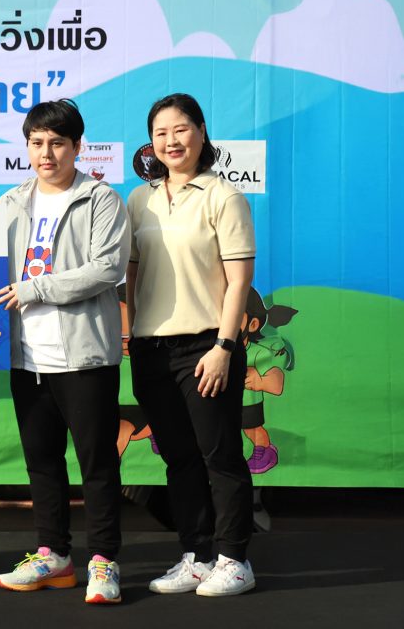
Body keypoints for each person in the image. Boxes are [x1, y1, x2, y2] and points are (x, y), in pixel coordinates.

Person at [0, 100, 131, 604]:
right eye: (36, 143)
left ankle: (104, 562)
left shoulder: (100, 199)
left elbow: (107, 268)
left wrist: (36, 288)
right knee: (42, 463)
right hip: (26, 358)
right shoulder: (9, 203)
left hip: (84, 357)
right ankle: (53, 556)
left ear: (76, 146)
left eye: (56, 143)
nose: (46, 153)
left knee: (98, 464)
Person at [125, 92, 256, 597]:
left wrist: (224, 346)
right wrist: (131, 334)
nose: (171, 141)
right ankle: (197, 555)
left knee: (219, 456)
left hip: (207, 347)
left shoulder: (223, 196)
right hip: (151, 350)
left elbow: (239, 281)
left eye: (181, 129)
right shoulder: (140, 200)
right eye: (160, 133)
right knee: (178, 459)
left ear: (201, 132)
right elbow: (132, 275)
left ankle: (235, 559)